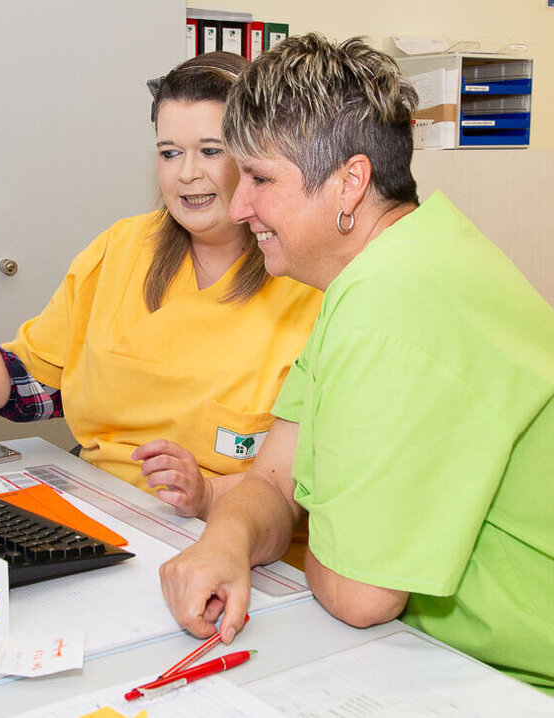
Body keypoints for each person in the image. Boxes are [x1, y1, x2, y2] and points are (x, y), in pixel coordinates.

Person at [159, 34, 554, 695]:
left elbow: (359, 595)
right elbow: (275, 482)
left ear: (350, 182)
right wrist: (229, 538)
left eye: (258, 179)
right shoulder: (401, 262)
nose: (237, 208)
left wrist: (306, 531)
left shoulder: (391, 299)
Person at [0, 51, 322, 518]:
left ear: (255, 156)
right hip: (99, 507)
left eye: (211, 150)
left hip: (238, 539)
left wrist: (209, 495)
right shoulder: (119, 251)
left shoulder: (308, 283)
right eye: (168, 153)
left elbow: (305, 484)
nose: (186, 175)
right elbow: (32, 382)